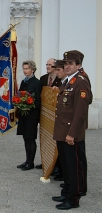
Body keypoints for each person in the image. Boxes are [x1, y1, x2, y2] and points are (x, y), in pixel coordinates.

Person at [51, 51, 92, 210]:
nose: (67, 66)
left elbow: (80, 112)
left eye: (70, 63)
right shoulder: (68, 81)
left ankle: (73, 198)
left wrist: (72, 134)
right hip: (62, 130)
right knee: (66, 166)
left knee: (73, 166)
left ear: (78, 65)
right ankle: (67, 190)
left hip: (70, 133)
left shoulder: (80, 82)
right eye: (65, 63)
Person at [36, 58, 61, 171]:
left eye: (50, 65)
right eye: (46, 64)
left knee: (55, 141)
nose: (47, 66)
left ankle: (56, 165)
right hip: (45, 114)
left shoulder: (60, 79)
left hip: (56, 115)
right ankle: (46, 162)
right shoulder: (43, 78)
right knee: (46, 139)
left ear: (56, 67)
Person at [16, 60, 42, 171]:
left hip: (32, 115)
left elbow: (39, 101)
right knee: (25, 138)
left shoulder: (37, 82)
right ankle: (27, 160)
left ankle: (30, 162)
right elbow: (20, 95)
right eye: (24, 68)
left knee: (31, 138)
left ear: (32, 69)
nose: (25, 71)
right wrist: (19, 103)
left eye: (27, 68)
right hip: (23, 114)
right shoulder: (23, 82)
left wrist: (29, 104)